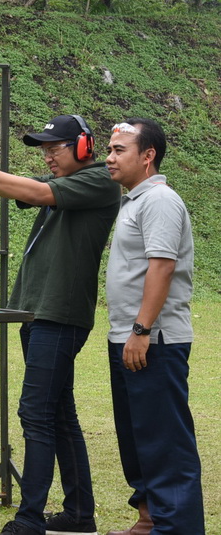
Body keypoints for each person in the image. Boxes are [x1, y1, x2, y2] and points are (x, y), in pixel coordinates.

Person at [0, 114, 121, 535]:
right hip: (39, 313)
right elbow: (18, 190)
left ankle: (29, 520)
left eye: (54, 148)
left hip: (58, 315)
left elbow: (35, 190)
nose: (47, 156)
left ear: (83, 147)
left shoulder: (100, 180)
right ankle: (80, 515)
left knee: (36, 414)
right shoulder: (67, 186)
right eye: (44, 149)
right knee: (60, 415)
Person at [103, 118, 203, 535]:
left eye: (119, 150)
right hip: (128, 337)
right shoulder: (134, 201)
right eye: (109, 149)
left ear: (148, 157)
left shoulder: (160, 200)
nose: (109, 158)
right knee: (137, 437)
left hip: (153, 340)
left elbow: (162, 267)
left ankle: (175, 528)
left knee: (164, 440)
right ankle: (149, 519)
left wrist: (142, 330)